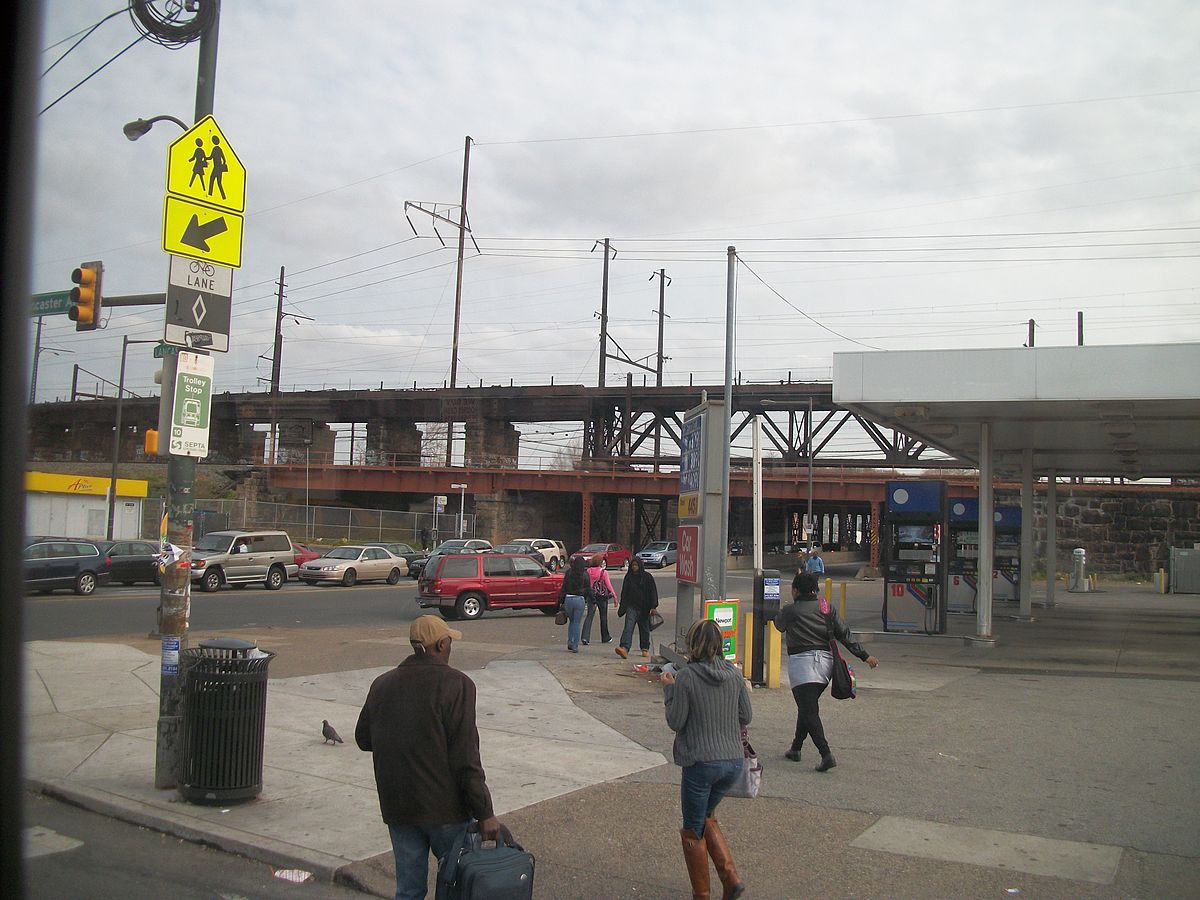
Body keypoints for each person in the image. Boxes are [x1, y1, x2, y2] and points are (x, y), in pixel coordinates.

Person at [355, 615, 501, 899]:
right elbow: (465, 757)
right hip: (445, 808)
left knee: (409, 890)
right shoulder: (457, 684)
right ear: (440, 645)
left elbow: (364, 739)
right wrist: (485, 813)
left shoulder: (382, 684)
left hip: (399, 806)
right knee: (456, 886)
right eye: (448, 643)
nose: (450, 648)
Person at [662, 619, 751, 900]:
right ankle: (731, 879)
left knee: (692, 828)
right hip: (733, 761)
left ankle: (702, 894)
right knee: (707, 816)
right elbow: (745, 716)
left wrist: (669, 690)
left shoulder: (687, 677)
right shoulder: (734, 674)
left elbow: (676, 721)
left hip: (701, 763)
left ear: (692, 644)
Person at [773, 572, 878, 772]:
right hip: (826, 665)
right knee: (807, 706)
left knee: (808, 709)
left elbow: (779, 626)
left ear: (795, 590)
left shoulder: (791, 610)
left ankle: (826, 753)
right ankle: (795, 748)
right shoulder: (826, 608)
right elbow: (845, 634)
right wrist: (865, 656)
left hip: (802, 665)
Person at [615, 556, 658, 659]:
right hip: (631, 607)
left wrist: (653, 606)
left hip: (644, 608)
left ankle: (645, 648)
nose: (634, 567)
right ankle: (624, 648)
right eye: (633, 565)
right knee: (628, 627)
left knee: (644, 629)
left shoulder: (647, 577)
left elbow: (653, 592)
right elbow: (624, 592)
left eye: (636, 565)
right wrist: (622, 606)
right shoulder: (629, 577)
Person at [557, 556, 592, 652]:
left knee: (572, 621)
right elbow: (589, 589)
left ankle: (570, 641)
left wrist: (561, 601)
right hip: (579, 599)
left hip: (568, 598)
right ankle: (575, 645)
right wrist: (593, 600)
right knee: (577, 622)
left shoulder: (569, 573)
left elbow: (564, 587)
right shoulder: (585, 574)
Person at [581, 555, 616, 645]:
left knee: (589, 616)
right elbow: (608, 585)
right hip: (602, 597)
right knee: (603, 617)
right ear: (600, 562)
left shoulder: (588, 571)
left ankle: (585, 637)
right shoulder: (604, 572)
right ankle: (605, 637)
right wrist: (614, 596)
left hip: (591, 596)